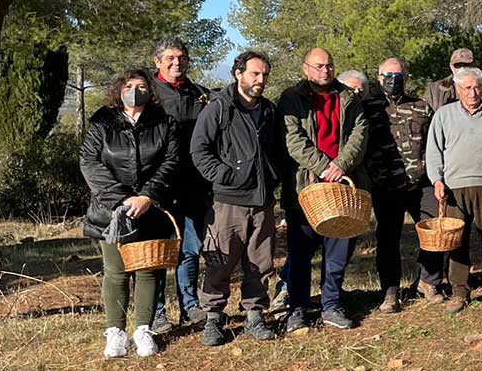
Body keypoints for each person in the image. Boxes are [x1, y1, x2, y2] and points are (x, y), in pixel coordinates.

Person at [80, 69, 179, 359]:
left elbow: (170, 162)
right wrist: (121, 199)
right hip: (111, 212)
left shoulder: (164, 122)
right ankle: (116, 333)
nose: (135, 90)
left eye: (141, 86)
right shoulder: (102, 122)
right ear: (119, 89)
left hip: (151, 209)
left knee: (149, 271)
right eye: (129, 85)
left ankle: (143, 330)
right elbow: (89, 162)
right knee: (116, 272)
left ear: (151, 91)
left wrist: (148, 195)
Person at [188, 51, 280, 346]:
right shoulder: (219, 108)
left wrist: (273, 177)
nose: (260, 80)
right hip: (228, 201)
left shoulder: (268, 111)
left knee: (260, 261)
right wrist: (225, 176)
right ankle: (213, 317)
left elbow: (278, 149)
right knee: (221, 260)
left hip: (263, 200)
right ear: (238, 74)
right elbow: (199, 150)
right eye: (255, 74)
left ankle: (255, 315)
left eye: (264, 74)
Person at [278, 48, 369, 331]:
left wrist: (340, 165)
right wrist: (322, 167)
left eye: (329, 66)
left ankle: (331, 304)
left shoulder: (348, 98)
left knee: (338, 251)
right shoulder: (291, 98)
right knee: (301, 253)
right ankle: (297, 308)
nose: (324, 71)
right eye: (318, 66)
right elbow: (293, 140)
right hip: (305, 188)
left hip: (341, 188)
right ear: (306, 68)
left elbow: (360, 133)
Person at [427, 67, 482, 316]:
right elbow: (433, 151)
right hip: (454, 187)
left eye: (476, 87)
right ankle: (459, 292)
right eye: (466, 88)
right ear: (457, 89)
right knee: (457, 241)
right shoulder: (444, 115)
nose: (472, 92)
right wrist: (437, 180)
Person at [364, 57, 442, 311]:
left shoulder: (421, 107)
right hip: (385, 184)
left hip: (421, 183)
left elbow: (435, 142)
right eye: (387, 76)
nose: (392, 81)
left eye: (398, 76)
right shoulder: (367, 107)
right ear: (378, 77)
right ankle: (390, 292)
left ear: (406, 78)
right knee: (387, 239)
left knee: (433, 232)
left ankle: (429, 283)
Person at [148, 38, 211, 333]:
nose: (177, 62)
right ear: (157, 61)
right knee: (160, 249)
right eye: (170, 57)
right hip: (159, 184)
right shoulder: (147, 94)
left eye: (182, 57)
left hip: (195, 183)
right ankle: (157, 311)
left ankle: (190, 305)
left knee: (190, 247)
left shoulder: (200, 94)